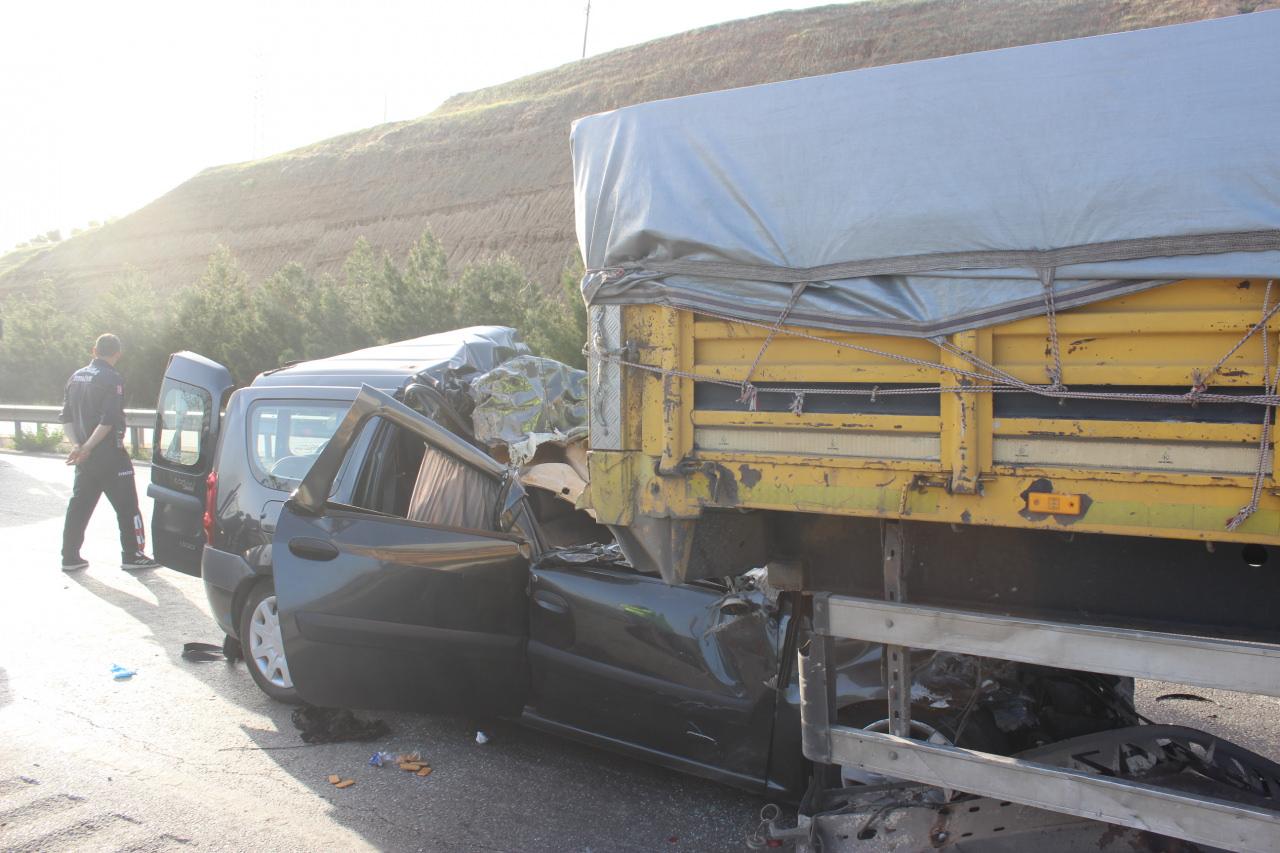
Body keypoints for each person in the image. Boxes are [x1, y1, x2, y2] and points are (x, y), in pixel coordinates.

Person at [58, 333, 159, 572]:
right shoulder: (112, 378)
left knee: (79, 507)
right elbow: (109, 420)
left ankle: (69, 557)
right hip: (109, 455)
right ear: (118, 354)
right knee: (128, 507)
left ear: (94, 350)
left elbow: (66, 417)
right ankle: (133, 555)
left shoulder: (75, 376)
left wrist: (78, 447)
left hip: (86, 458)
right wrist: (89, 447)